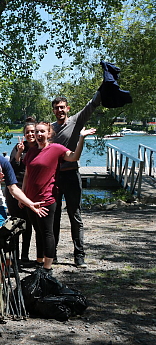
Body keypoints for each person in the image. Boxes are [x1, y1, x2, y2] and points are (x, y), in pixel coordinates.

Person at [23, 123, 96, 273]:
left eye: (42, 131)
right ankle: (39, 261)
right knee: (38, 231)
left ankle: (47, 267)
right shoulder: (31, 151)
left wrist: (81, 138)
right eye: (37, 132)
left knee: (47, 232)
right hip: (31, 200)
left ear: (49, 133)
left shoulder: (56, 149)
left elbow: (74, 156)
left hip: (47, 199)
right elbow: (27, 175)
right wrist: (22, 197)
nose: (39, 134)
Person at [51, 92, 101, 268]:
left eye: (62, 107)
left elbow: (91, 106)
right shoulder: (50, 129)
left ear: (67, 108)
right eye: (57, 108)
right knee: (53, 217)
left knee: (75, 216)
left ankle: (79, 256)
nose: (60, 110)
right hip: (54, 178)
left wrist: (102, 90)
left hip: (72, 175)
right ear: (53, 110)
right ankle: (52, 254)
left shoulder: (75, 121)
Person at [6, 118, 37, 263]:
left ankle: (25, 255)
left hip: (30, 190)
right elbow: (12, 166)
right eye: (28, 132)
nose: (30, 134)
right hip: (15, 188)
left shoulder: (39, 147)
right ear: (24, 134)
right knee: (15, 223)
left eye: (33, 131)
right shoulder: (19, 146)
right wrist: (19, 152)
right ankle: (15, 255)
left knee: (28, 224)